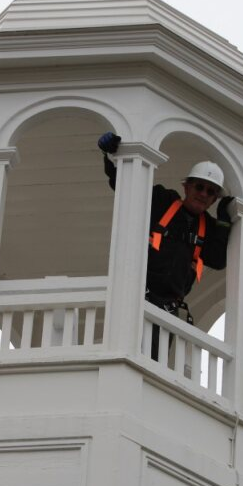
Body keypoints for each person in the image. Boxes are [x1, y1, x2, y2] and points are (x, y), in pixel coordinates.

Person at [98, 132, 233, 357]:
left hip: (168, 307)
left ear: (214, 199)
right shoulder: (163, 201)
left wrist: (223, 221)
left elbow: (218, 260)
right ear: (186, 187)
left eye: (211, 192)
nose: (203, 194)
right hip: (139, 294)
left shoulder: (207, 227)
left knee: (153, 361)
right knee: (125, 354)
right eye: (199, 187)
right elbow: (124, 183)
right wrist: (110, 154)